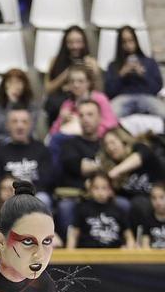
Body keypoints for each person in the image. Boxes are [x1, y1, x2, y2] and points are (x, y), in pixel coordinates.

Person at [55, 98, 107, 234]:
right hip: (75, 197)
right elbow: (82, 168)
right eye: (81, 115)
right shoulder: (69, 144)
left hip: (105, 197)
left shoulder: (107, 144)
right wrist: (105, 164)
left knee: (123, 204)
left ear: (100, 118)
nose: (85, 119)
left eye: (90, 114)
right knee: (65, 207)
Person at [0, 104, 54, 198]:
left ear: (30, 125)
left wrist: (27, 188)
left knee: (43, 197)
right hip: (7, 196)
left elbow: (48, 180)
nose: (20, 126)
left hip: (35, 195)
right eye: (14, 122)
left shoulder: (42, 150)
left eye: (24, 122)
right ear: (7, 125)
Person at [100, 126, 165, 223]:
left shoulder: (139, 148)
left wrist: (116, 171)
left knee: (140, 202)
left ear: (123, 141)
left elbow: (142, 155)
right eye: (106, 145)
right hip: (136, 210)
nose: (110, 147)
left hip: (159, 199)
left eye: (113, 142)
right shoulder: (109, 167)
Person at [106, 26, 165, 118]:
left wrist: (143, 74)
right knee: (110, 115)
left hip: (147, 97)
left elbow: (157, 88)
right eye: (124, 42)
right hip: (123, 97)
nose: (128, 45)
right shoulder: (113, 65)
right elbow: (109, 91)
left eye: (131, 40)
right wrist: (121, 74)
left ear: (136, 41)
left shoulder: (149, 62)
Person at [47, 65, 116, 139]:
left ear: (88, 83)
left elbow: (111, 124)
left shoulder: (100, 99)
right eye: (72, 81)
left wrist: (87, 133)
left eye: (80, 81)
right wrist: (62, 121)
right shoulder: (67, 104)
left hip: (94, 140)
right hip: (70, 142)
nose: (76, 85)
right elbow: (53, 133)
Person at [67, 171, 134, 248]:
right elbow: (73, 235)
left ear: (110, 190)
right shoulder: (82, 208)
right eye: (96, 188)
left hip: (114, 254)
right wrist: (70, 254)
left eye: (104, 188)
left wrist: (129, 250)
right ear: (90, 189)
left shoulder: (119, 210)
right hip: (88, 253)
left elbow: (129, 236)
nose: (100, 192)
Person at [0, 68, 40, 149]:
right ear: (4, 85)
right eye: (10, 82)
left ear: (25, 85)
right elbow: (1, 127)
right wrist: (11, 103)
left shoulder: (32, 106)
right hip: (1, 143)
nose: (15, 86)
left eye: (18, 82)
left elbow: (29, 129)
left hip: (25, 142)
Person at [43, 25, 99, 102]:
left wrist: (93, 72)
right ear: (65, 44)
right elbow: (48, 89)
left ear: (84, 43)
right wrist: (68, 72)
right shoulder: (54, 60)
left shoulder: (91, 62)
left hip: (84, 101)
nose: (75, 46)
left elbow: (97, 90)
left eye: (78, 42)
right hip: (59, 100)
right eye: (70, 42)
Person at [137, 183, 165, 249]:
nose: (158, 202)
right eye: (154, 198)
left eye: (162, 197)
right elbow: (145, 245)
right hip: (153, 257)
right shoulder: (147, 219)